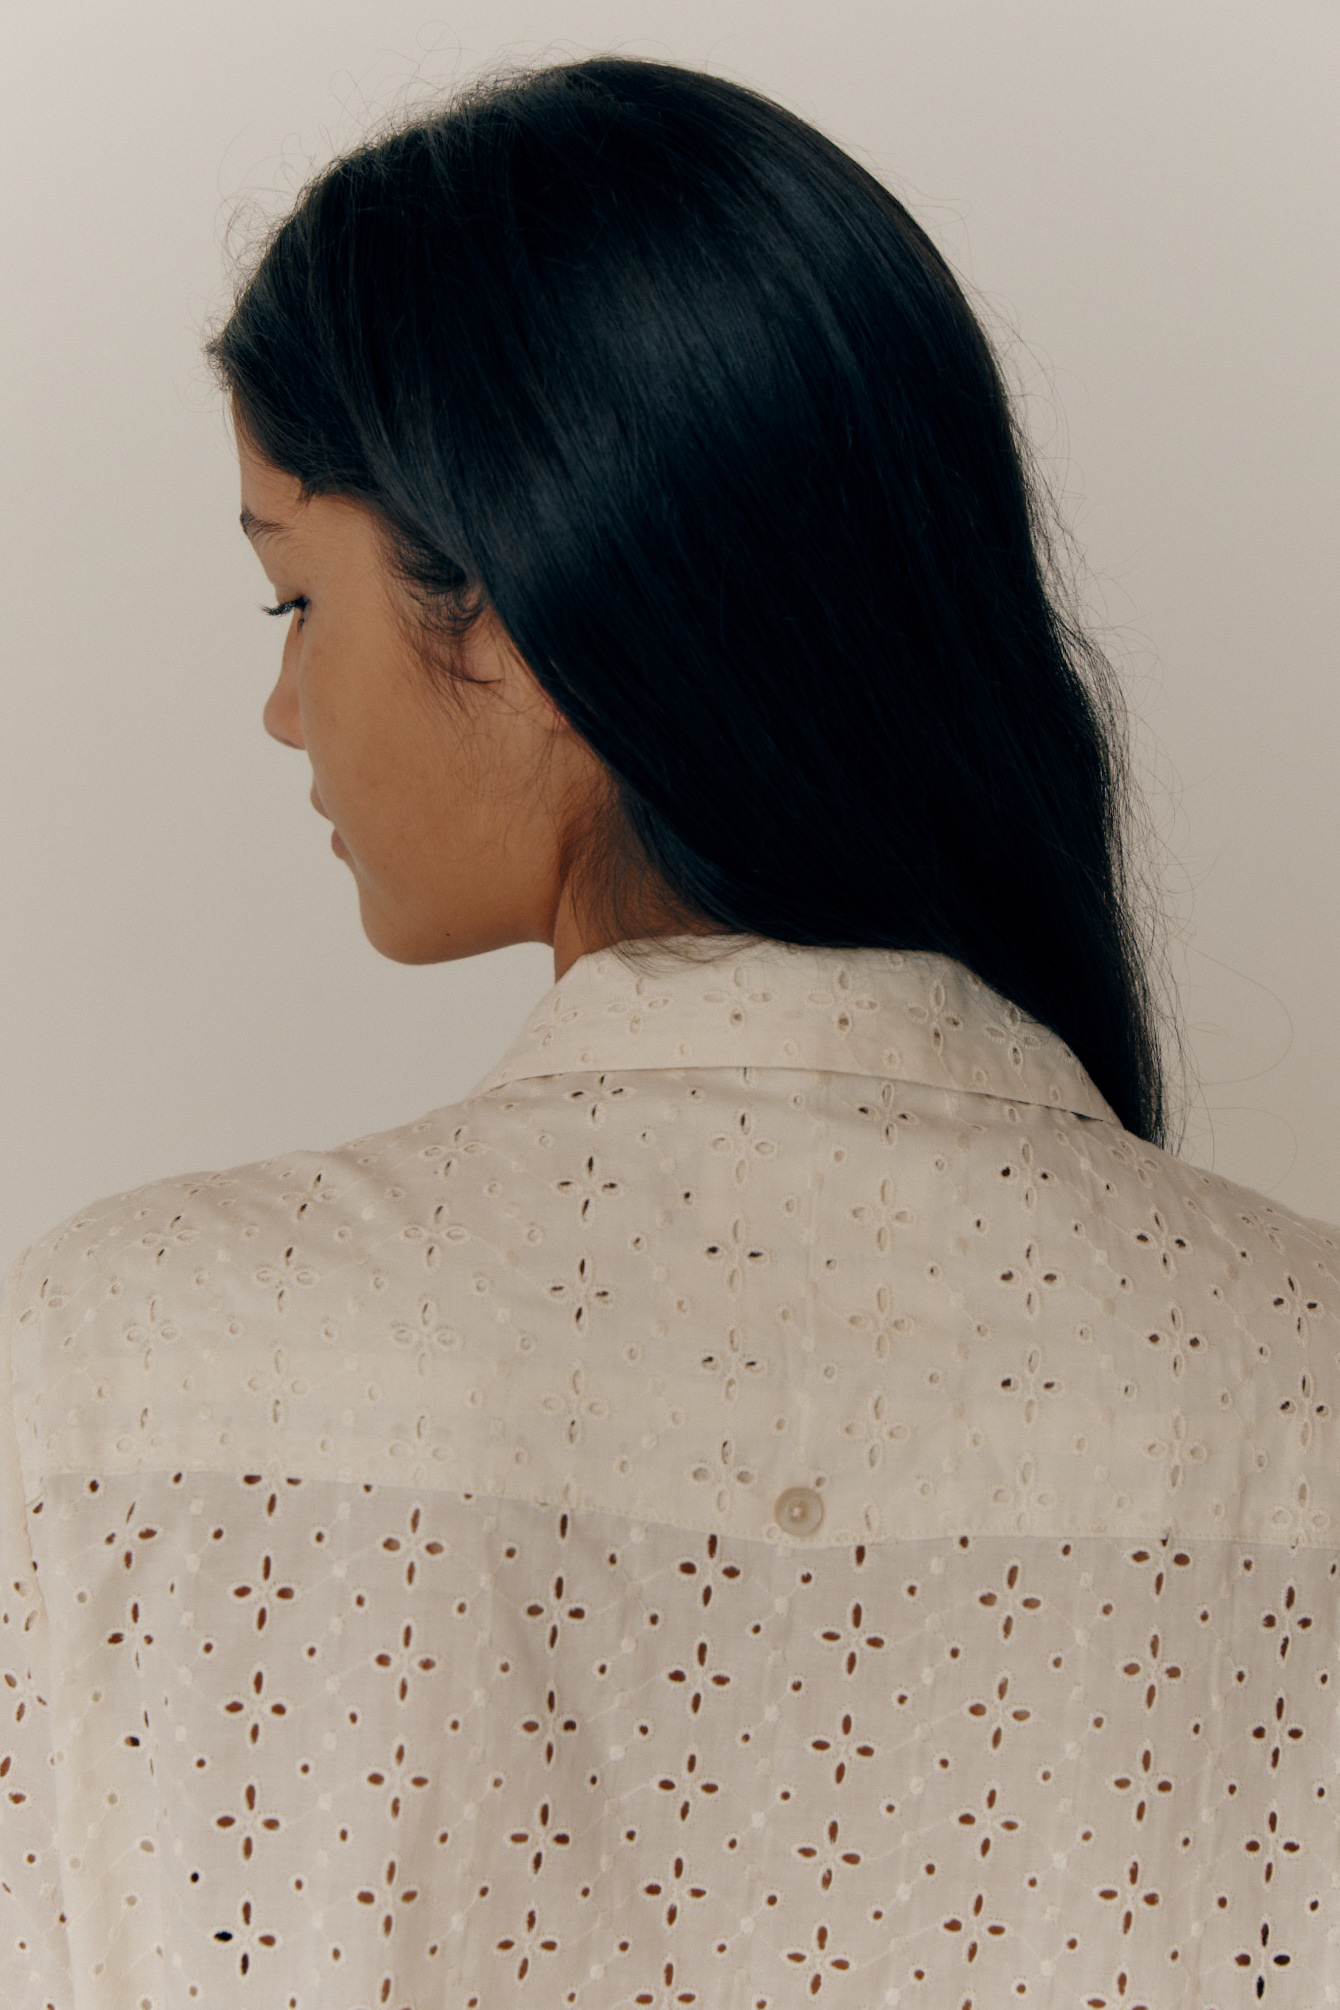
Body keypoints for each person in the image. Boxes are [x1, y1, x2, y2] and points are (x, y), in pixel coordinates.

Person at [1, 52, 1335, 2010]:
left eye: (292, 599)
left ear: (517, 611)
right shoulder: (1301, 1383)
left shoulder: (117, 1374)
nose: (284, 709)